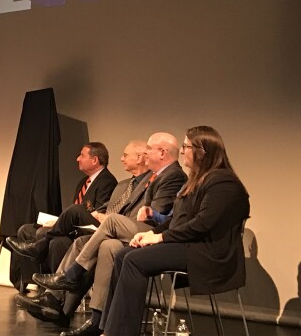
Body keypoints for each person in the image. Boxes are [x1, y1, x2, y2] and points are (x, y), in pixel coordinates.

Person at [24, 134, 186, 331]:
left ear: (162, 153)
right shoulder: (152, 177)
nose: (146, 153)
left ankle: (72, 274)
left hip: (151, 232)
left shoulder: (173, 175)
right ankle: (81, 316)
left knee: (110, 220)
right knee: (96, 243)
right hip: (129, 231)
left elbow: (155, 215)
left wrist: (145, 213)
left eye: (149, 149)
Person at [100, 126, 250, 336]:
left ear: (202, 151)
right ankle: (109, 328)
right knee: (124, 254)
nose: (181, 151)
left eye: (186, 146)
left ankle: (119, 333)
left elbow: (202, 225)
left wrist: (160, 237)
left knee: (135, 261)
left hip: (207, 253)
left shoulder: (223, 182)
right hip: (189, 245)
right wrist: (150, 234)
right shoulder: (197, 180)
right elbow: (176, 221)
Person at [6, 142, 117, 275]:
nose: (77, 159)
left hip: (85, 232)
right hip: (71, 227)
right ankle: (30, 280)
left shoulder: (108, 182)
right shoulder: (83, 182)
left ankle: (51, 284)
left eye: (82, 155)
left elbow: (97, 215)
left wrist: (63, 224)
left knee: (52, 239)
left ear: (94, 160)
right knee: (25, 230)